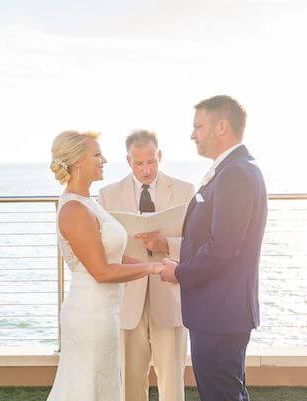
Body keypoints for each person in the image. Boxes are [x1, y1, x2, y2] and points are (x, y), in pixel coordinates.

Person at [160, 95, 267, 401]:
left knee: (222, 393)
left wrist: (179, 272)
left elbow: (223, 247)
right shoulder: (235, 169)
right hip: (221, 310)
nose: (193, 134)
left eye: (198, 126)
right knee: (227, 392)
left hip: (221, 311)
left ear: (221, 127)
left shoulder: (236, 174)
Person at [46, 130, 165, 401]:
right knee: (84, 388)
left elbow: (113, 256)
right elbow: (101, 271)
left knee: (101, 386)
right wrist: (152, 270)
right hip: (89, 314)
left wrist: (160, 263)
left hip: (105, 312)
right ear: (77, 162)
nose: (105, 160)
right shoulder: (74, 210)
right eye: (97, 154)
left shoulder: (90, 202)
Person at [97, 130, 194, 401]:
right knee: (129, 382)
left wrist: (167, 245)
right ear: (129, 161)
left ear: (159, 156)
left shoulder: (185, 191)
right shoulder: (107, 196)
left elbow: (198, 244)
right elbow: (103, 248)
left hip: (170, 295)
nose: (146, 169)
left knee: (172, 383)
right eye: (139, 163)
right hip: (128, 298)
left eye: (151, 161)